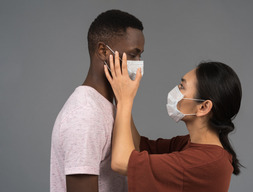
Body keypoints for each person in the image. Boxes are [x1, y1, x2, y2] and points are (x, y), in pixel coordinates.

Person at [104, 52, 242, 192]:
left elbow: (121, 162)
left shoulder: (204, 162)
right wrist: (120, 95)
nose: (175, 90)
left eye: (182, 87)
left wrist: (125, 100)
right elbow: (139, 146)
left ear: (203, 107)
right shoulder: (189, 144)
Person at [50, 9, 145, 192]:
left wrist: (124, 100)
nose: (138, 63)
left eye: (140, 55)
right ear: (102, 50)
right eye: (133, 55)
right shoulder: (85, 114)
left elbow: (135, 159)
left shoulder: (111, 107)